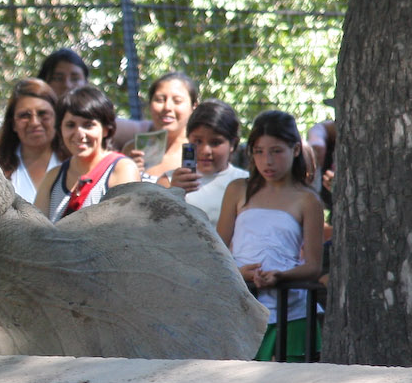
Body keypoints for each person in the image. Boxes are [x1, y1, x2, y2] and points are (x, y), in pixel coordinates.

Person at [217, 110, 326, 362]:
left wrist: (281, 276)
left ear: (295, 150)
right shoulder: (237, 190)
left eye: (276, 151)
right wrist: (239, 273)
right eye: (259, 151)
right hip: (243, 302)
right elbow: (217, 250)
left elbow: (313, 266)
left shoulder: (308, 200)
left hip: (292, 309)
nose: (267, 160)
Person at [35, 85, 141, 220]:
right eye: (70, 125)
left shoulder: (122, 169)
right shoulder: (53, 177)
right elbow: (35, 231)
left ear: (106, 129)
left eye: (88, 125)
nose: (79, 134)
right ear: (60, 129)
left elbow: (124, 228)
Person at [160, 101, 248, 227]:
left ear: (233, 144)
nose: (205, 151)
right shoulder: (167, 181)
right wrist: (172, 194)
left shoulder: (246, 182)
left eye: (215, 142)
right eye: (198, 141)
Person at [0, 78, 61, 203]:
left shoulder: (73, 163)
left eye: (43, 113)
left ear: (57, 118)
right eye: (24, 116)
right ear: (13, 124)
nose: (34, 123)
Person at [123, 72, 200, 185]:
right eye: (160, 99)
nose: (167, 107)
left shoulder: (199, 152)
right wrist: (127, 173)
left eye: (177, 101)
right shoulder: (133, 150)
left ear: (194, 106)